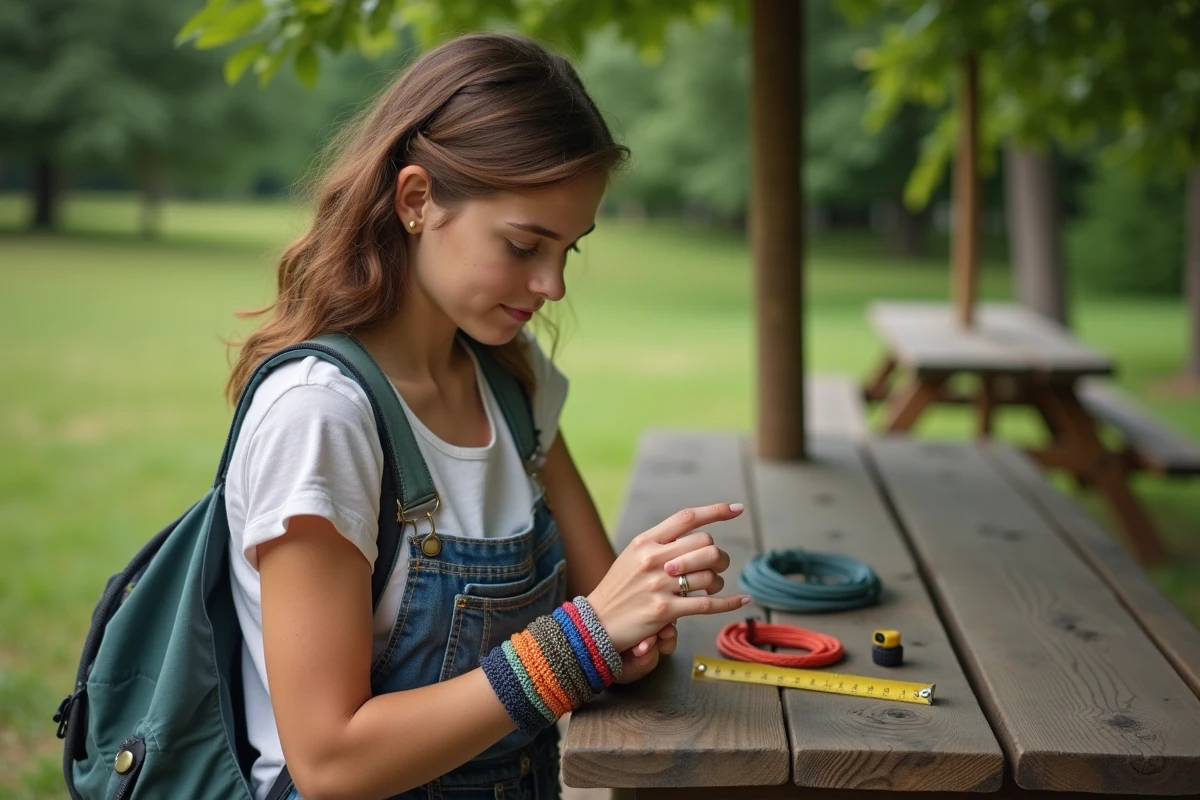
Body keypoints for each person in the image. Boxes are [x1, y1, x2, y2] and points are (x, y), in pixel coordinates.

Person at [222, 31, 752, 800]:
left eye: (568, 250)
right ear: (416, 201)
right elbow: (330, 762)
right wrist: (585, 641)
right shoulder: (322, 418)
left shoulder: (514, 379)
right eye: (523, 245)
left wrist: (637, 618)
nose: (553, 286)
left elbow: (596, 603)